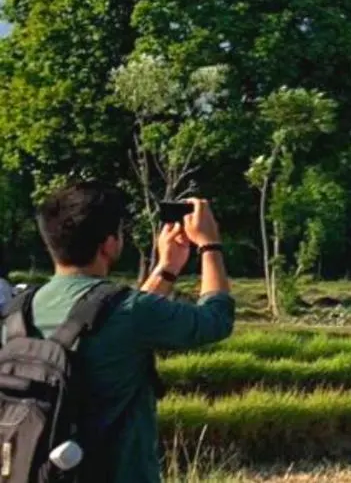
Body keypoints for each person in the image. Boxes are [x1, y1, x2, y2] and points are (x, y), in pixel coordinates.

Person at [14, 184, 235, 482]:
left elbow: (110, 316)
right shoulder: (131, 311)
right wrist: (210, 246)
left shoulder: (17, 311)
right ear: (109, 244)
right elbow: (216, 319)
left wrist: (167, 267)